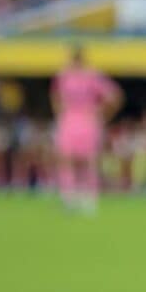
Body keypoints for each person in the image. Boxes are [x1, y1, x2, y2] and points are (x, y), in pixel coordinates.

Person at [50, 45, 124, 214]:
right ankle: (70, 197)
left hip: (86, 119)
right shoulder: (63, 76)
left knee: (87, 161)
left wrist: (102, 114)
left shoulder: (92, 75)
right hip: (70, 119)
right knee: (67, 160)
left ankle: (87, 198)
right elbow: (55, 98)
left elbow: (115, 96)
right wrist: (61, 113)